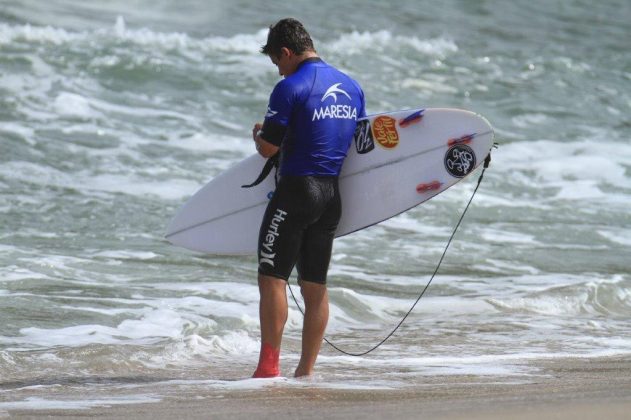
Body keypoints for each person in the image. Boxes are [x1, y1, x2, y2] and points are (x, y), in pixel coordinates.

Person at [250, 18, 365, 378]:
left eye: (277, 63)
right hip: (331, 197)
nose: (279, 72)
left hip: (297, 191)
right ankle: (306, 371)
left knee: (272, 278)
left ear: (286, 52)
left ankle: (268, 369)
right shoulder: (351, 86)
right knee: (315, 286)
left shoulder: (290, 88)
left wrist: (259, 135)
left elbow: (269, 148)